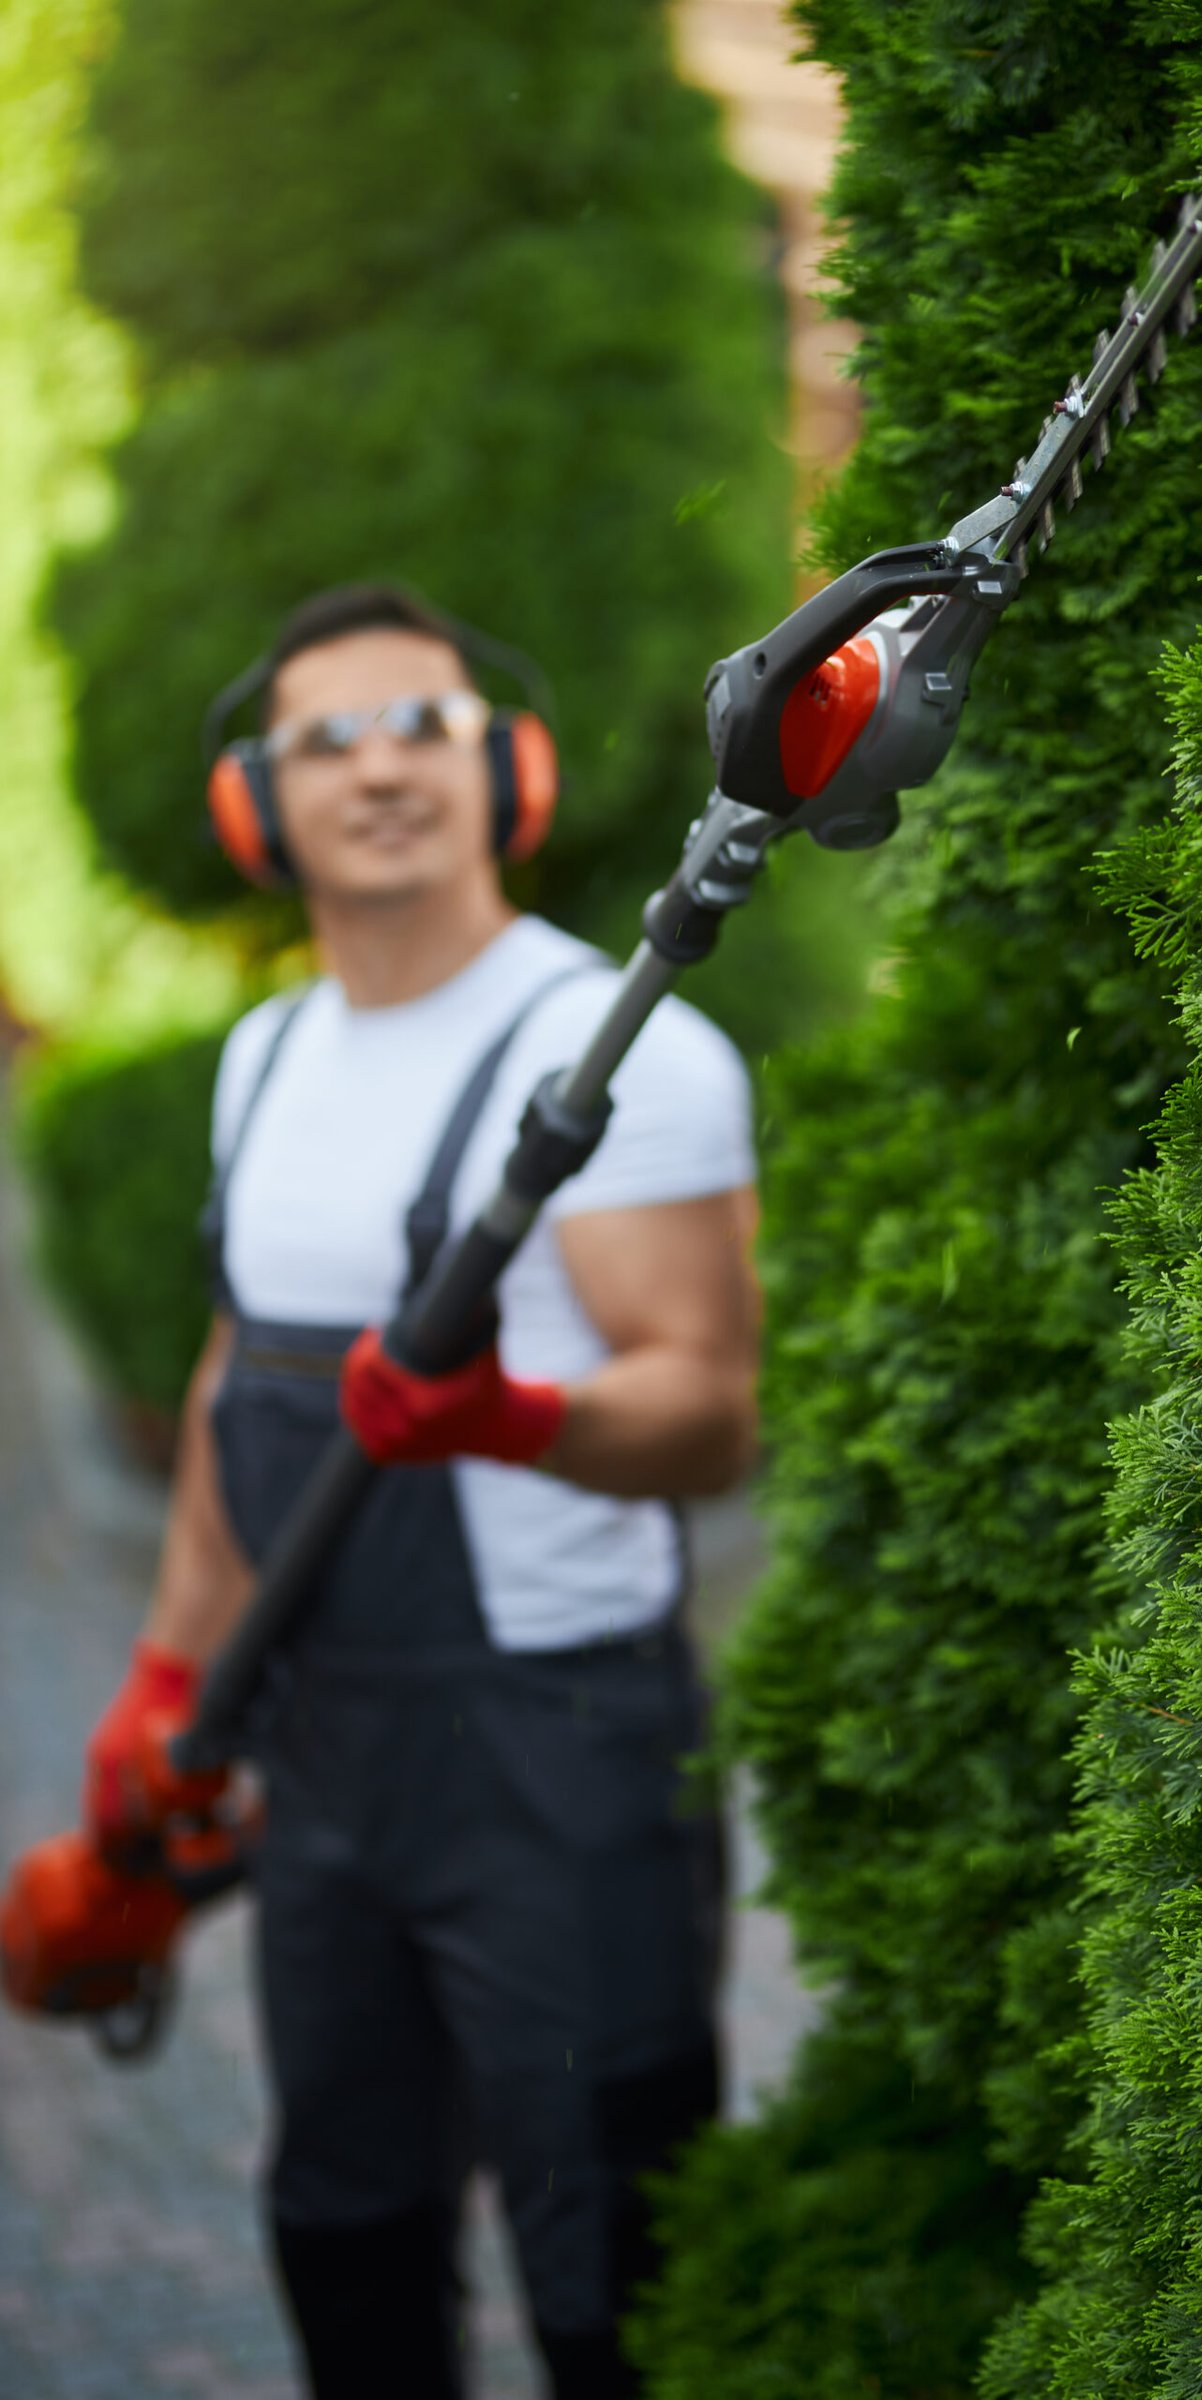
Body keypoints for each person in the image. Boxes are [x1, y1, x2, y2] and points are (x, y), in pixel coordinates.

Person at [80, 583, 761, 2400]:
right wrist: (166, 1684)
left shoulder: (625, 1056)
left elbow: (709, 1414)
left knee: (616, 2259)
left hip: (560, 1761)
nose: (382, 766)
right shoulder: (264, 1060)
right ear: (258, 807)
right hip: (327, 1766)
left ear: (504, 771)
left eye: (426, 728)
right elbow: (247, 1385)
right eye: (329, 739)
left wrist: (508, 1418)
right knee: (347, 2229)